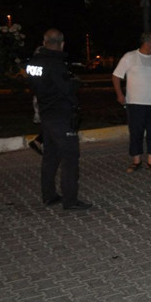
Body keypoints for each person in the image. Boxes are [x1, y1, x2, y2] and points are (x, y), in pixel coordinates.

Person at [25, 28, 92, 210]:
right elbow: (66, 89)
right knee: (70, 157)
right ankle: (70, 201)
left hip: (46, 113)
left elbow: (35, 84)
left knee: (50, 157)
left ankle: (49, 195)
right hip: (61, 115)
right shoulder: (56, 64)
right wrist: (75, 83)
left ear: (44, 41)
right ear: (61, 44)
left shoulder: (33, 63)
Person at [112, 32, 151, 173]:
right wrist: (119, 94)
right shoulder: (130, 57)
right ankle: (136, 161)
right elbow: (116, 76)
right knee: (136, 132)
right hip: (135, 103)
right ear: (147, 43)